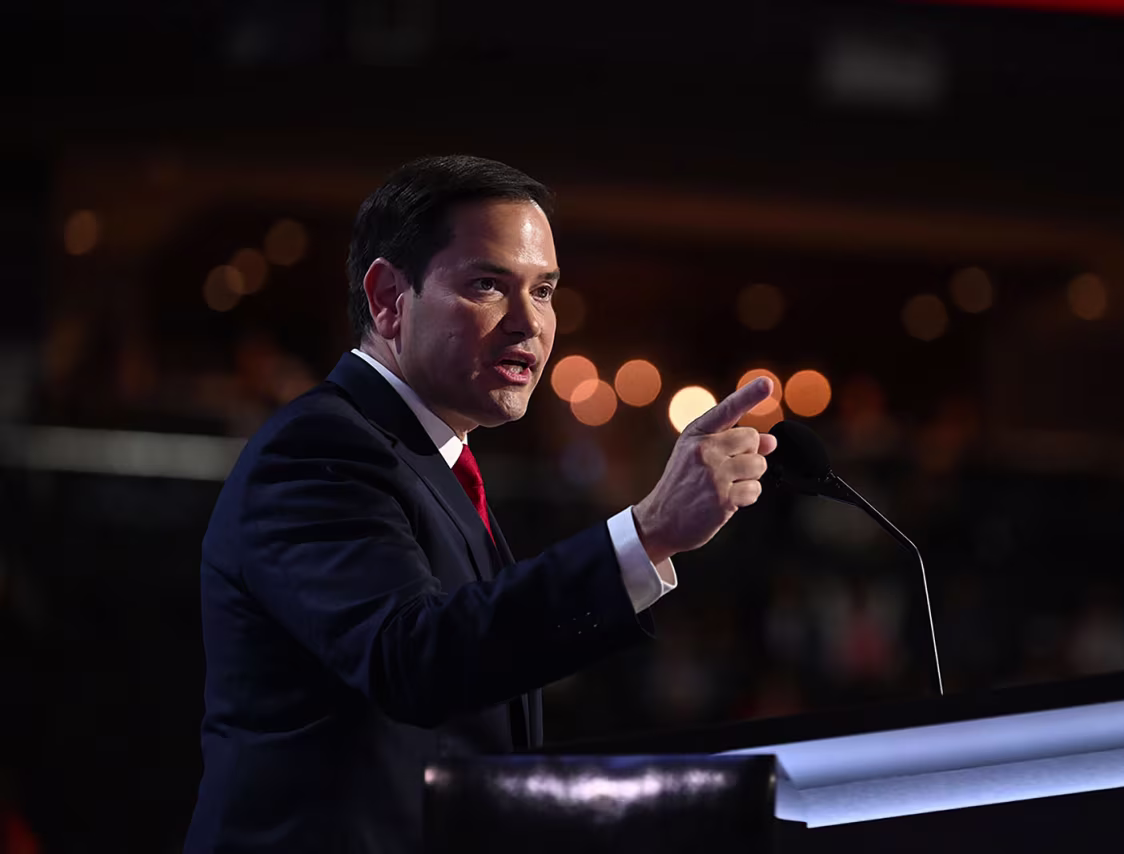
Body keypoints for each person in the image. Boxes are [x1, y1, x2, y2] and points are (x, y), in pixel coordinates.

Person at [184, 155, 777, 853]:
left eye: (546, 290)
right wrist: (645, 534)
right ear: (388, 299)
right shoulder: (319, 451)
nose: (531, 325)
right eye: (489, 285)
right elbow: (416, 661)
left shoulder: (432, 456)